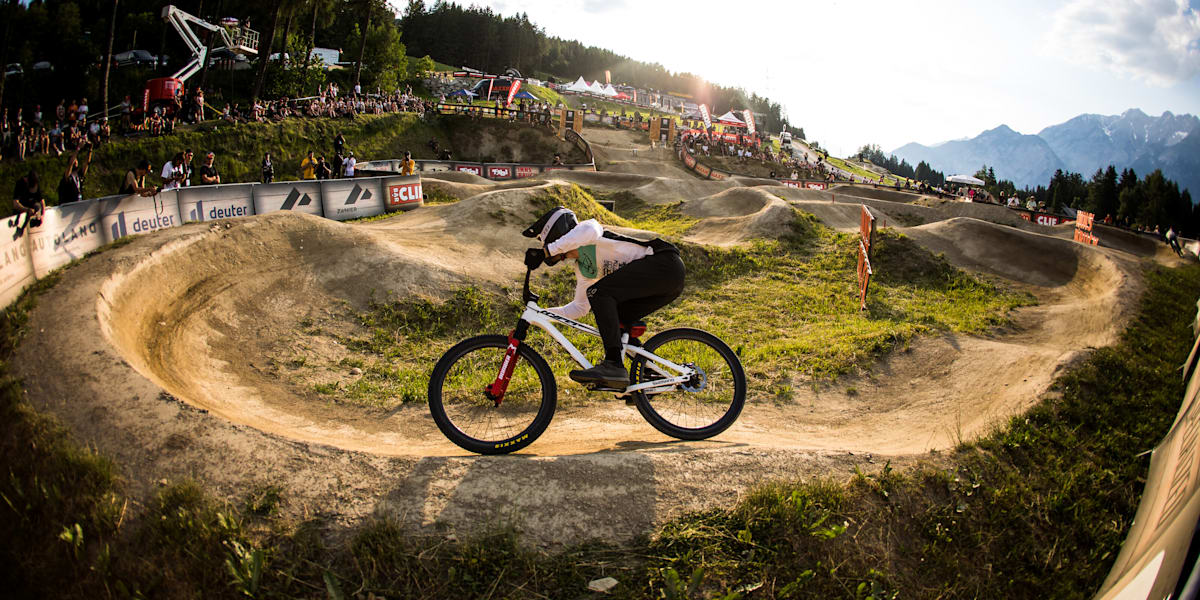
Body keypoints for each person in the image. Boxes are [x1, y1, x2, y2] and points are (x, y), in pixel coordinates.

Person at [521, 206, 686, 387]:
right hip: (663, 281)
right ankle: (651, 375)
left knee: (599, 293)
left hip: (665, 264)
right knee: (618, 319)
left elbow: (587, 233)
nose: (558, 255)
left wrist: (546, 251)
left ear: (558, 236)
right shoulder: (585, 266)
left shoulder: (588, 229)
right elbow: (580, 307)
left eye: (546, 243)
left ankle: (614, 364)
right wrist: (542, 315)